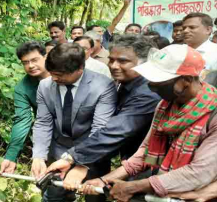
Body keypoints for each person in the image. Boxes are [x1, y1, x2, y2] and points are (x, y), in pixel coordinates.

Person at [80, 44, 217, 202]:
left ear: (186, 80)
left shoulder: (213, 114)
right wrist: (105, 180)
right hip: (163, 189)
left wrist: (134, 187)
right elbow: (146, 151)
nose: (151, 85)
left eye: (159, 80)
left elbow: (199, 173)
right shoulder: (165, 105)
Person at [46, 34, 161, 191]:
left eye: (123, 61)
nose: (113, 66)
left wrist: (74, 159)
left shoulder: (147, 92)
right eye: (112, 59)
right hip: (132, 160)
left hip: (150, 165)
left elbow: (116, 130)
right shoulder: (124, 84)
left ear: (143, 62)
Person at [31, 43, 117, 202]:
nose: (54, 78)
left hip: (93, 151)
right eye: (52, 73)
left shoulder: (103, 86)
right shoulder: (45, 85)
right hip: (59, 150)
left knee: (94, 196)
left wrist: (83, 165)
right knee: (54, 197)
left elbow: (100, 129)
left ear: (80, 69)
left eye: (60, 74)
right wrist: (38, 156)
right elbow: (43, 122)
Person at [0, 41, 50, 174]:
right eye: (25, 62)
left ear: (46, 57)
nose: (31, 66)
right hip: (47, 136)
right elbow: (22, 120)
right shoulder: (23, 88)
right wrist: (11, 156)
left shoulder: (63, 75)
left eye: (34, 60)